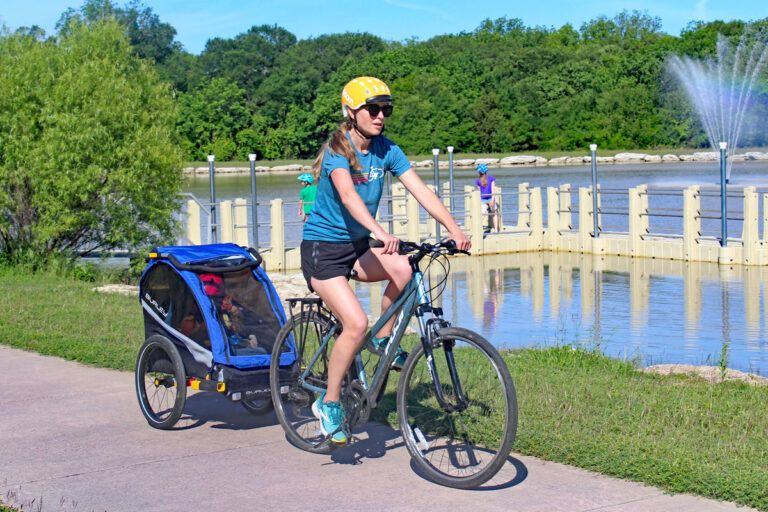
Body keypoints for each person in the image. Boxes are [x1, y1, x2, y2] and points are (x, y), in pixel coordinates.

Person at [301, 76, 471, 444]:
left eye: (385, 109)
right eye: (372, 109)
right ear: (351, 112)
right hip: (324, 251)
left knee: (405, 269)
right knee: (355, 323)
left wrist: (455, 229)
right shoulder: (338, 149)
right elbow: (348, 196)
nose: (380, 116)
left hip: (359, 245)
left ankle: (381, 339)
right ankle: (329, 403)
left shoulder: (387, 150)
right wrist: (380, 231)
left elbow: (421, 190)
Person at [475, 163, 499, 232]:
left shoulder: (478, 181)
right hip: (490, 198)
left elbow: (479, 192)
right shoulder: (491, 178)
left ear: (479, 172)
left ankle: (479, 230)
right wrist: (492, 199)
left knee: (481, 214)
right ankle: (496, 230)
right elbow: (493, 190)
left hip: (483, 199)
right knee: (494, 214)